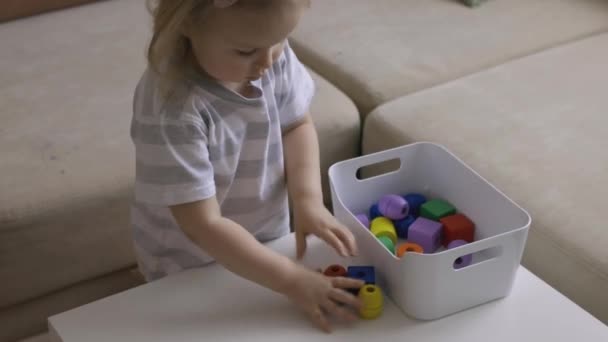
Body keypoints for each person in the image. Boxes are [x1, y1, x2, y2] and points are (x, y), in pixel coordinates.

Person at [130, 0, 363, 332]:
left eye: (281, 39)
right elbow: (203, 226)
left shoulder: (269, 54)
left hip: (266, 234)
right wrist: (291, 280)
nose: (267, 62)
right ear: (185, 26)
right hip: (188, 260)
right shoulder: (171, 109)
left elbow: (296, 125)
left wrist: (308, 199)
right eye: (245, 51)